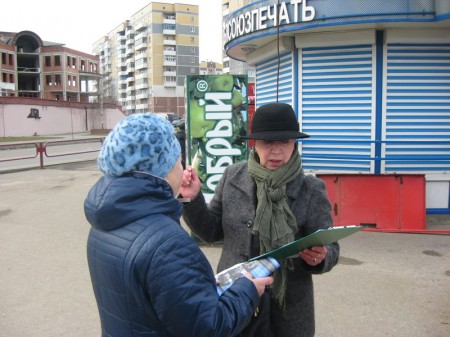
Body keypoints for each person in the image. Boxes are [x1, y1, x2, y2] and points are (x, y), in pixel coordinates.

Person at [84, 113, 273, 337]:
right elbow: (209, 328)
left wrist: (196, 284)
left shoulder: (104, 222)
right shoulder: (167, 244)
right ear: (162, 167)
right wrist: (247, 290)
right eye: (178, 160)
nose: (182, 168)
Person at [180, 103, 340, 337]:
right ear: (254, 143)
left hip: (288, 308)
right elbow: (211, 231)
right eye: (267, 142)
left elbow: (331, 246)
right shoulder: (233, 176)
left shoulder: (311, 189)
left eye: (284, 142)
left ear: (294, 143)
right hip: (235, 299)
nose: (276, 152)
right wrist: (192, 199)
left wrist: (320, 258)